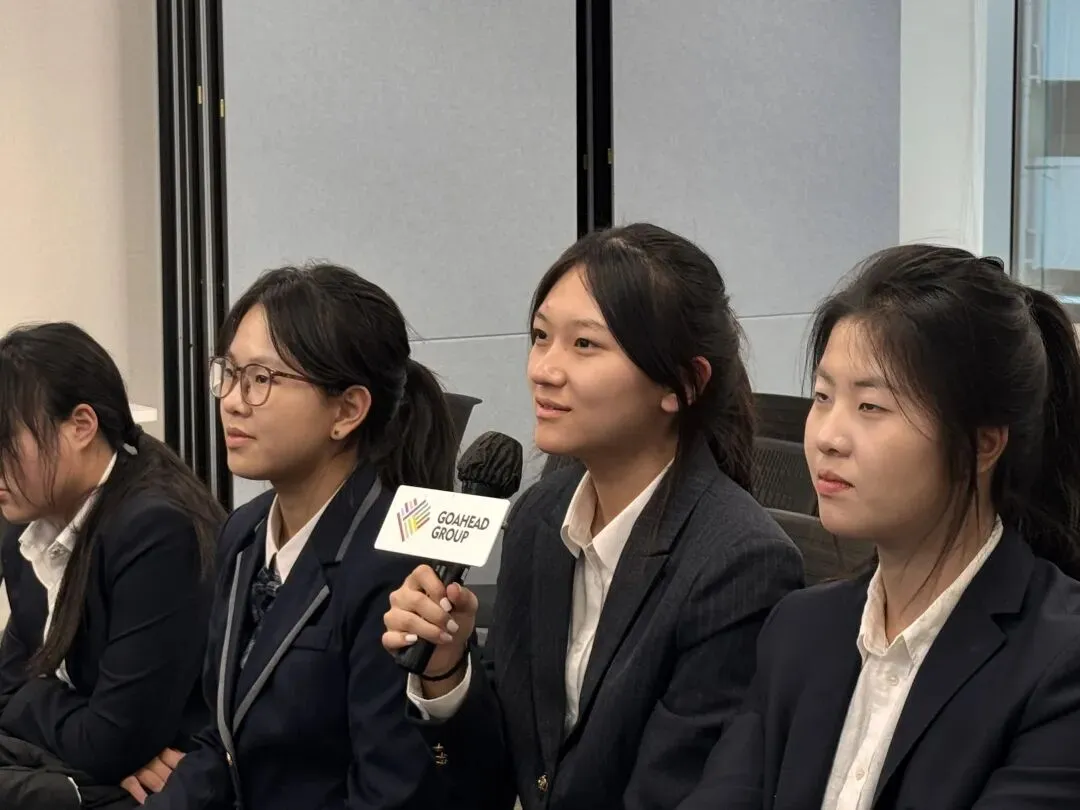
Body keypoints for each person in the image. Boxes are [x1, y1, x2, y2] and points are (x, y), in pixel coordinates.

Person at [382, 223, 804, 810]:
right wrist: (447, 673)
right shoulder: (539, 517)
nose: (543, 369)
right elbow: (495, 777)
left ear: (683, 383)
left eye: (584, 344)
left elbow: (674, 791)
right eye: (540, 337)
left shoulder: (740, 565)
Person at [678, 245, 1080, 810]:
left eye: (871, 407)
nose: (827, 437)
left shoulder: (1060, 658)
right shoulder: (800, 630)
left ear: (983, 444)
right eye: (823, 397)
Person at [141, 264, 455, 810]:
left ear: (347, 410)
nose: (232, 400)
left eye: (261, 379)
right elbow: (224, 740)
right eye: (229, 373)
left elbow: (387, 790)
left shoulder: (397, 560)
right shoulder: (244, 531)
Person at [0, 323, 222, 808]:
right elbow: (8, 685)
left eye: (5, 441)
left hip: (168, 790)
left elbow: (110, 743)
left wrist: (36, 701)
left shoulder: (156, 529)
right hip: (84, 772)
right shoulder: (25, 525)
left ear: (81, 426)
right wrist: (72, 719)